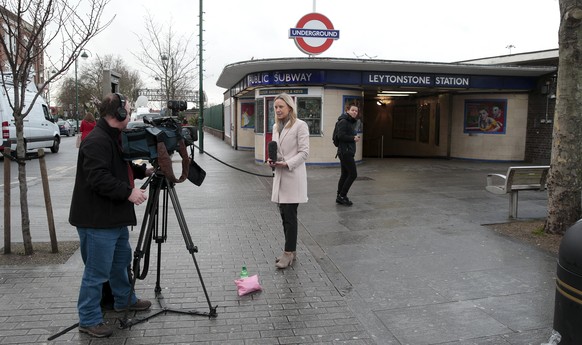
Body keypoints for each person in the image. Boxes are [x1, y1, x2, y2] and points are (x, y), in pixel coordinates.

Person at [69, 93, 152, 338]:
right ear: (120, 114)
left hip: (113, 218)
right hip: (96, 221)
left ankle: (124, 300)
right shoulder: (96, 140)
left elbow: (120, 166)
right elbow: (99, 178)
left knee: (119, 264)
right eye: (128, 109)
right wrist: (129, 193)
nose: (131, 114)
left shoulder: (112, 137)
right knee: (96, 272)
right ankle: (89, 319)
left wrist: (143, 170)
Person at [268, 93, 310, 269]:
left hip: (293, 177)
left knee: (290, 217)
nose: (277, 110)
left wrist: (287, 164)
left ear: (290, 107)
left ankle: (288, 253)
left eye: (281, 107)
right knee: (284, 216)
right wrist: (272, 160)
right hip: (280, 176)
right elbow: (276, 150)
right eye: (275, 107)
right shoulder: (276, 127)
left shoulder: (301, 126)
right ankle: (291, 250)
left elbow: (304, 153)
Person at [335, 103, 360, 206]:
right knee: (353, 174)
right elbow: (341, 136)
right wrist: (353, 138)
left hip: (345, 151)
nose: (355, 112)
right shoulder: (344, 121)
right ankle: (342, 195)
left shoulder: (349, 121)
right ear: (347, 110)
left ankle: (339, 196)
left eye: (356, 111)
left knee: (345, 174)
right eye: (353, 110)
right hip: (345, 152)